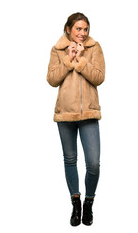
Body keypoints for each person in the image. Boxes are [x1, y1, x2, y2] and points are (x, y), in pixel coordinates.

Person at [47, 12, 105, 226]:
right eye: (78, 28)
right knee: (70, 160)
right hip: (65, 113)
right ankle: (76, 202)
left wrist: (80, 60)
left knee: (93, 164)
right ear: (68, 29)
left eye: (85, 29)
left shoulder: (95, 48)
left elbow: (99, 77)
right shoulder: (57, 49)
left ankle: (89, 201)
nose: (82, 33)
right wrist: (68, 59)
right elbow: (52, 79)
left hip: (89, 112)